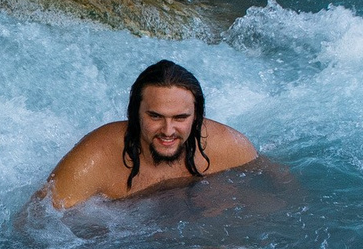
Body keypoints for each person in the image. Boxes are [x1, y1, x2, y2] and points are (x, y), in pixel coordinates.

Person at [45, 60, 260, 208]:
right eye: (155, 117)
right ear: (135, 113)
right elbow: (38, 224)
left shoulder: (229, 147)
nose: (168, 131)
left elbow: (275, 196)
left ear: (197, 116)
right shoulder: (96, 157)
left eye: (180, 118)